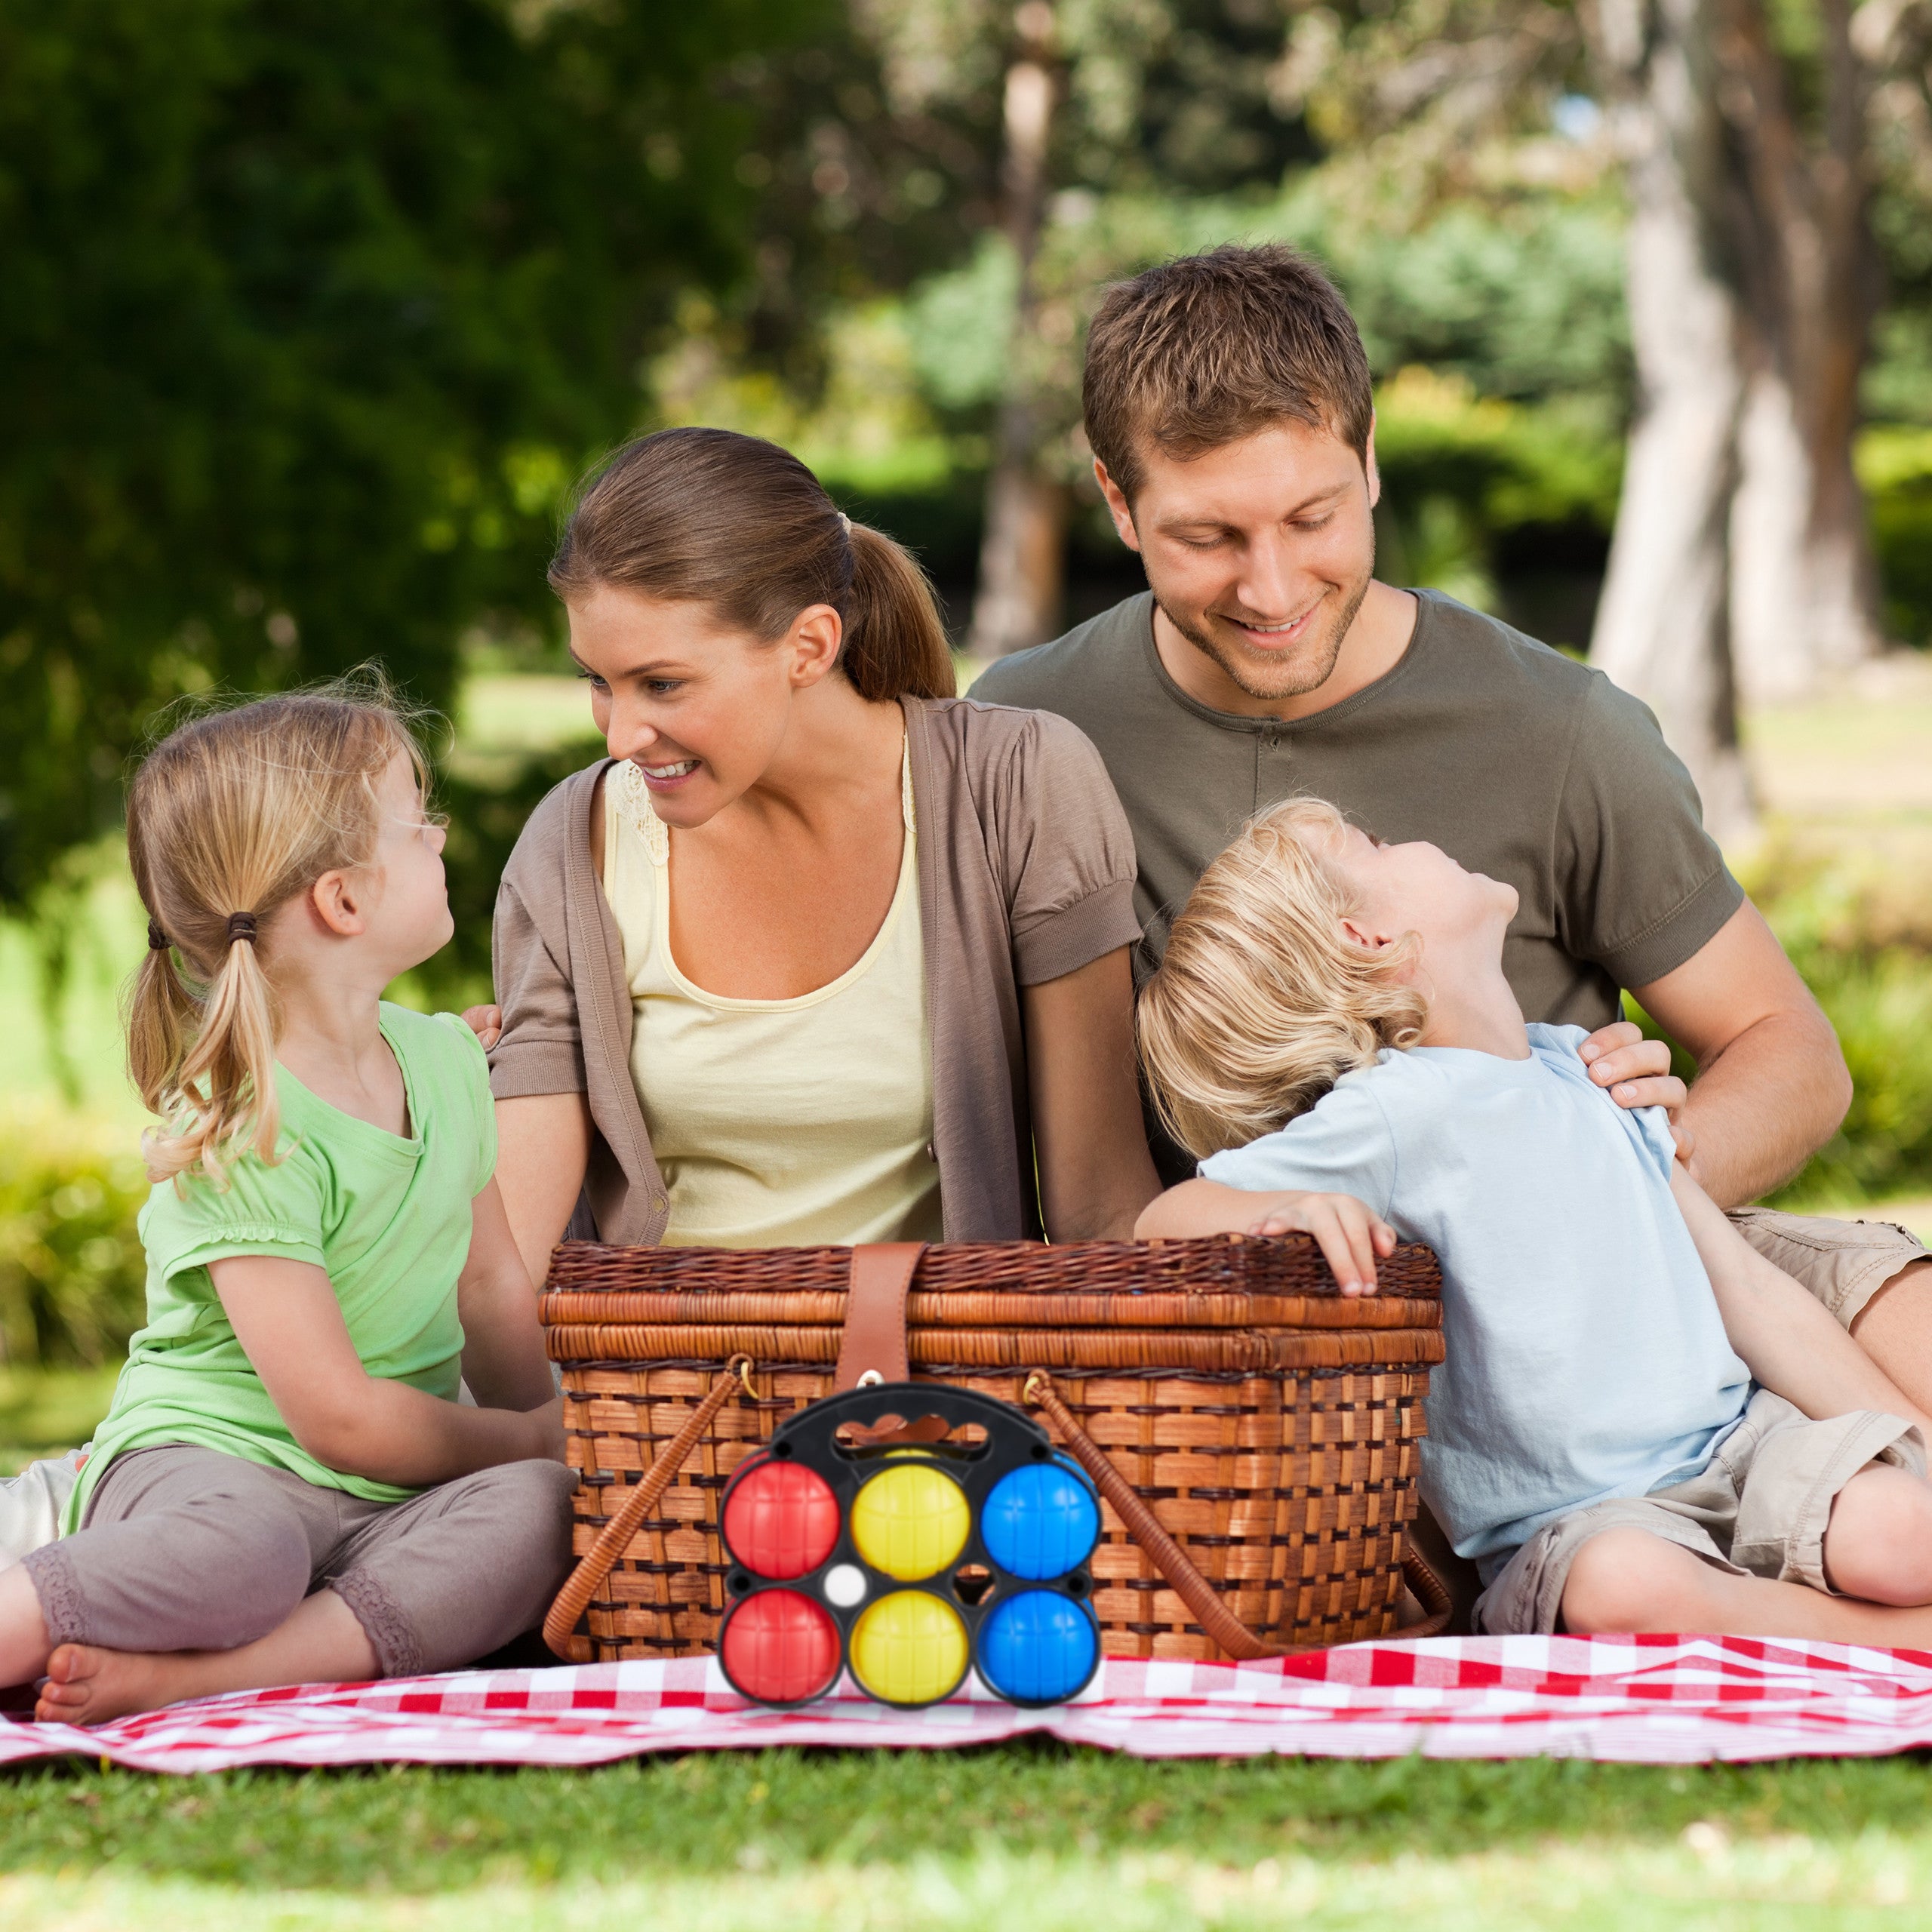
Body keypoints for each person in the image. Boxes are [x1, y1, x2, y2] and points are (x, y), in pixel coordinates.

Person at [970, 241, 1932, 1416]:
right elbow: (1088, 1196)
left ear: (1370, 464)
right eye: (1208, 538)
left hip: (1626, 1276)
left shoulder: (1561, 728)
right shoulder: (1027, 731)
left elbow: (1790, 1050)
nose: (1271, 591)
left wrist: (1602, 1170)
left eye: (1311, 517)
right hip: (1283, 1335)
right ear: (1117, 502)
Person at [1133, 799, 1932, 1640]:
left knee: (1903, 1530)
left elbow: (1747, 1290)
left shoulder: (1581, 1066)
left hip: (1742, 1449)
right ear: (1367, 940)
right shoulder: (1394, 1114)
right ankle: (1898, 1643)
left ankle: (1804, 1620)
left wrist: (1911, 1447)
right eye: (1374, 842)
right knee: (1619, 1591)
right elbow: (1164, 1220)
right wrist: (1282, 1203)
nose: (1406, 833)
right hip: (1585, 1522)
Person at [0, 688, 572, 1724]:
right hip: (214, 1469)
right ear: (343, 901)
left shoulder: (446, 1062)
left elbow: (489, 1284)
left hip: (390, 1498)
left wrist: (565, 1433)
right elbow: (339, 1419)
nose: (440, 831)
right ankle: (24, 1601)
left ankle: (205, 1679)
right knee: (249, 1551)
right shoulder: (242, 1125)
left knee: (543, 1513)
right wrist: (525, 1437)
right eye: (416, 817)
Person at [473, 426, 1158, 1281]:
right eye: (597, 681)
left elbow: (1100, 1206)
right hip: (651, 1395)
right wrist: (426, 1105)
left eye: (662, 684)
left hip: (923, 1399)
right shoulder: (575, 845)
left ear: (809, 645)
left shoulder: (1017, 787)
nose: (619, 738)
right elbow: (511, 1261)